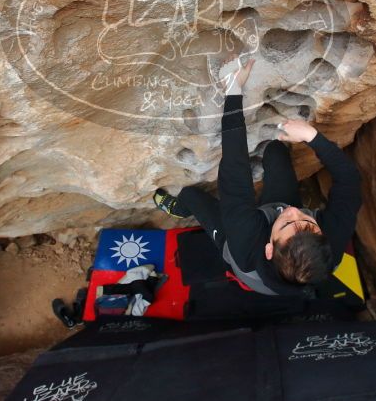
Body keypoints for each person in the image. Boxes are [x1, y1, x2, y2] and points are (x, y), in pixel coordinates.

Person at [154, 58, 362, 296]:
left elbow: (235, 168)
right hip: (269, 226)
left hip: (235, 243)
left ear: (269, 250)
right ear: (322, 234)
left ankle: (180, 209)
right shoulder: (330, 241)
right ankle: (279, 169)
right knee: (275, 151)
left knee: (191, 196)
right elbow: (349, 180)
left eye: (287, 223)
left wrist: (233, 91)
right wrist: (311, 136)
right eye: (308, 221)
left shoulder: (246, 240)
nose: (294, 212)